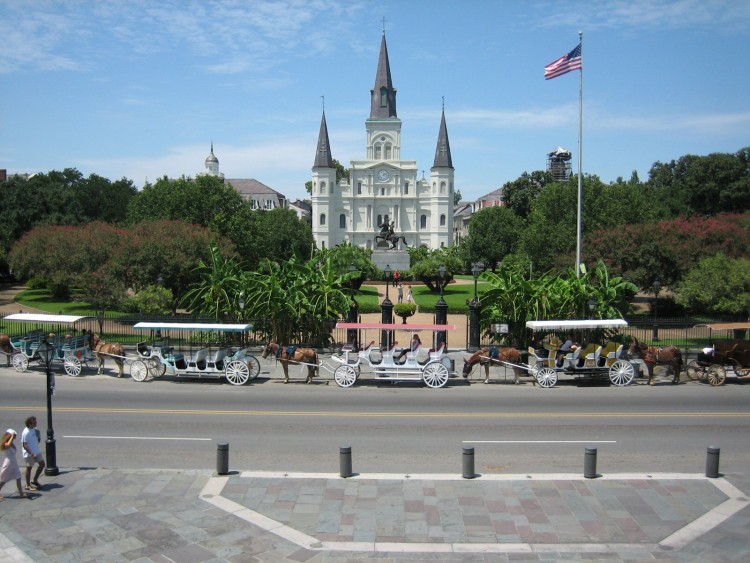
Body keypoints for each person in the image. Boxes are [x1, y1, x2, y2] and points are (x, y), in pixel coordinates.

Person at [0, 429, 27, 500]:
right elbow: (7, 445)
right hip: (8, 463)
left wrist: (12, 437)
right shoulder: (6, 443)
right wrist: (11, 435)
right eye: (14, 435)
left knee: (18, 477)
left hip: (14, 462)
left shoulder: (11, 443)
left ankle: (21, 493)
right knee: (3, 479)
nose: (15, 436)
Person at [21, 416, 45, 491]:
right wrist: (32, 453)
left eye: (36, 421)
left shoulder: (35, 429)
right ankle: (27, 485)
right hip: (29, 453)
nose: (36, 423)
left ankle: (35, 480)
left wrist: (39, 435)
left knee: (42, 464)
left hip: (36, 450)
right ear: (29, 423)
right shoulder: (26, 432)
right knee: (29, 468)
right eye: (34, 422)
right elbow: (25, 445)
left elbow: (37, 439)